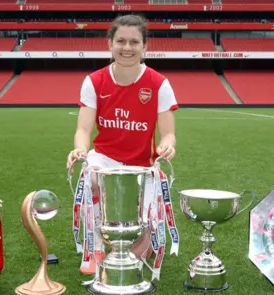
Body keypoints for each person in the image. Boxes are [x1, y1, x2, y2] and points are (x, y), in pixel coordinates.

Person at [66, 14, 178, 274]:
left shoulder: (159, 84)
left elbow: (169, 134)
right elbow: (83, 129)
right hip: (105, 157)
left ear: (144, 46)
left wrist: (168, 145)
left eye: (134, 42)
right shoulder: (94, 81)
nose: (127, 48)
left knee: (144, 233)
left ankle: (141, 247)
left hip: (143, 164)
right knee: (89, 177)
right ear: (110, 43)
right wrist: (80, 149)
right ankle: (94, 250)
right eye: (121, 41)